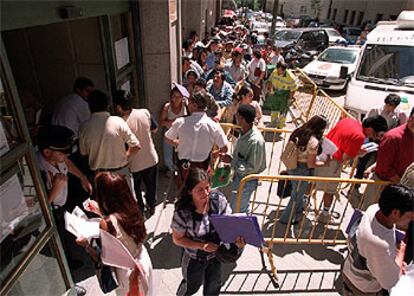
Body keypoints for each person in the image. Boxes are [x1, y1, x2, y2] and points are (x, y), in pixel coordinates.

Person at [171, 168, 246, 296]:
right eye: (199, 190)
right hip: (194, 258)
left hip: (216, 255)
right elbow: (177, 239)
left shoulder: (218, 200)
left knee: (213, 286)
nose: (206, 193)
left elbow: (228, 224)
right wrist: (202, 246)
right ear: (189, 191)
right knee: (191, 286)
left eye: (207, 187)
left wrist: (237, 241)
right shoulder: (183, 213)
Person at [77, 172, 153, 296]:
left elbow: (102, 258)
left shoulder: (107, 223)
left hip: (127, 275)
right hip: (142, 260)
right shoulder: (132, 208)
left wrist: (86, 246)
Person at [37, 125, 92, 296]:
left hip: (60, 208)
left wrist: (82, 177)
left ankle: (67, 262)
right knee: (54, 250)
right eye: (62, 153)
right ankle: (66, 286)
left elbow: (66, 161)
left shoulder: (58, 158)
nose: (66, 156)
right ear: (47, 152)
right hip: (48, 215)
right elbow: (35, 208)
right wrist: (55, 189)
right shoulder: (35, 169)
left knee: (63, 238)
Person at [342, 184, 414, 295]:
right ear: (395, 213)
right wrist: (401, 251)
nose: (412, 219)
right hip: (362, 288)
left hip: (350, 272)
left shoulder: (374, 208)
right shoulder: (379, 245)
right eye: (411, 215)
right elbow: (389, 282)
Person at [315, 116, 388, 223]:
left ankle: (303, 202)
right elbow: (345, 157)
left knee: (311, 181)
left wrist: (354, 149)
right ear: (371, 129)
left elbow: (344, 140)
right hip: (333, 162)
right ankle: (324, 215)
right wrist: (357, 152)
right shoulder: (359, 137)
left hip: (322, 152)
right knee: (330, 190)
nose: (376, 137)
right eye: (377, 134)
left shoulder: (348, 120)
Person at [164, 90, 228, 188]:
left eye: (189, 103)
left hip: (184, 166)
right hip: (203, 167)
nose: (188, 106)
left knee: (185, 191)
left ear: (194, 105)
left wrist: (178, 143)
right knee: (200, 192)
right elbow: (225, 148)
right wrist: (213, 152)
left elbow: (168, 139)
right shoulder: (214, 125)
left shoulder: (180, 122)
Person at [78, 90, 140, 191]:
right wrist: (126, 157)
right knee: (126, 203)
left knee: (106, 205)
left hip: (100, 176)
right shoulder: (118, 122)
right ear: (107, 105)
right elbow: (136, 146)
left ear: (89, 106)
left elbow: (83, 153)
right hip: (121, 173)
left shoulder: (84, 128)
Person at [114, 90, 159, 217]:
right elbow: (155, 129)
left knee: (136, 188)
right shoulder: (144, 112)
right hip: (150, 158)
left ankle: (140, 208)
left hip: (133, 164)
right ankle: (152, 205)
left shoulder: (119, 123)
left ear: (118, 107)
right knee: (151, 185)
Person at [279, 115, 329, 224]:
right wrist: (325, 163)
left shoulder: (298, 132)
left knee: (297, 193)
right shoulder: (313, 142)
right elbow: (311, 163)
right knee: (296, 196)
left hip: (292, 166)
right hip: (302, 169)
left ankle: (296, 214)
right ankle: (286, 219)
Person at [362, 107, 414, 210]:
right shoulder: (393, 137)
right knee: (369, 215)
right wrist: (402, 183)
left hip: (400, 188)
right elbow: (384, 167)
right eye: (413, 118)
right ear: (410, 118)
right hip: (381, 186)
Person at [353, 94, 408, 185]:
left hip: (386, 141)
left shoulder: (400, 114)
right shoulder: (376, 110)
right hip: (372, 138)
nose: (389, 107)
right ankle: (357, 180)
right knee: (363, 158)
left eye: (392, 106)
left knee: (382, 161)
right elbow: (366, 122)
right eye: (388, 105)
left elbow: (403, 127)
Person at [221, 105, 266, 213]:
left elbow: (253, 167)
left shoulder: (255, 141)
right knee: (236, 206)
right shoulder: (244, 132)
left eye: (237, 115)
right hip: (238, 178)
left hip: (246, 181)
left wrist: (232, 161)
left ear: (242, 119)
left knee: (239, 210)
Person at [159, 84, 189, 176]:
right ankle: (171, 169)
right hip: (169, 133)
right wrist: (174, 122)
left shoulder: (185, 105)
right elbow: (161, 122)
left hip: (182, 133)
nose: (175, 99)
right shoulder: (167, 107)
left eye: (178, 97)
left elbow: (189, 117)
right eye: (174, 96)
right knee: (167, 155)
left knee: (182, 153)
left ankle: (182, 170)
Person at [265, 61, 298, 128]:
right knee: (274, 109)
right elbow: (270, 81)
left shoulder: (290, 77)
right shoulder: (275, 72)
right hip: (275, 93)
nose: (278, 72)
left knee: (283, 111)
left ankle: (280, 126)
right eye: (278, 70)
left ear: (284, 70)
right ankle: (273, 123)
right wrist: (270, 89)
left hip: (285, 94)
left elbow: (293, 89)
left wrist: (290, 98)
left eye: (280, 71)